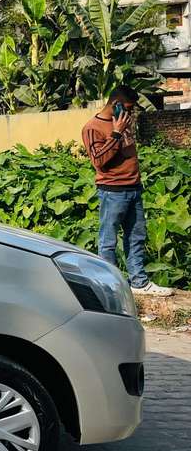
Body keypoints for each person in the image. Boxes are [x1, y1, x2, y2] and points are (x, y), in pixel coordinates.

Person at [81, 85, 173, 297]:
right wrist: (116, 133)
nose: (131, 112)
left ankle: (138, 282)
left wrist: (122, 128)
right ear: (116, 104)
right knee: (108, 241)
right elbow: (98, 160)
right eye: (129, 108)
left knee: (136, 237)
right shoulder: (92, 127)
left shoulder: (124, 121)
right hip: (112, 192)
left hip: (133, 188)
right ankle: (110, 287)